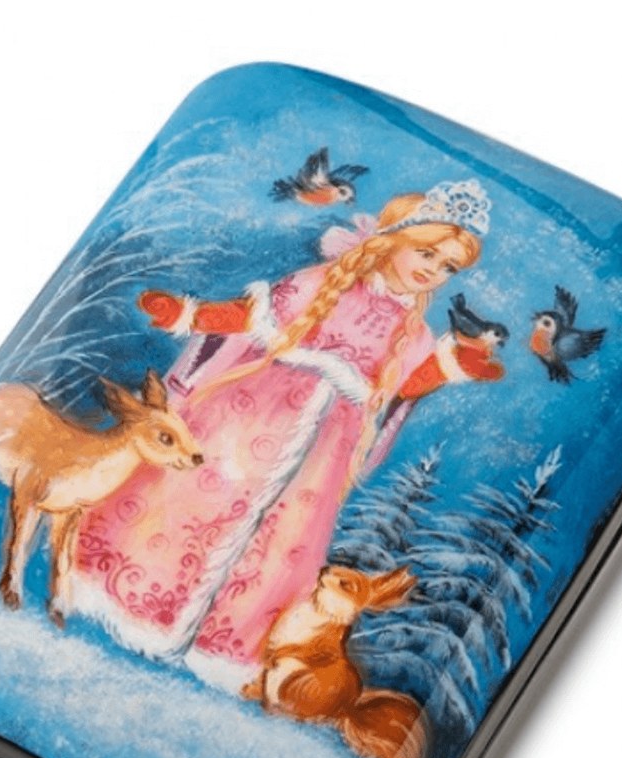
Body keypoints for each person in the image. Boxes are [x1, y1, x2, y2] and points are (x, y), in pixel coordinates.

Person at [63, 180, 505, 688]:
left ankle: (216, 649)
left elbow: (404, 385)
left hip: (320, 456)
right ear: (393, 241)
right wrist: (189, 314)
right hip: (247, 416)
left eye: (447, 266)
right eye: (426, 253)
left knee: (282, 538)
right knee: (194, 501)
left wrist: (448, 368)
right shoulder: (326, 282)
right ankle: (124, 601)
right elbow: (250, 316)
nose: (433, 270)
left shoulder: (416, 333)